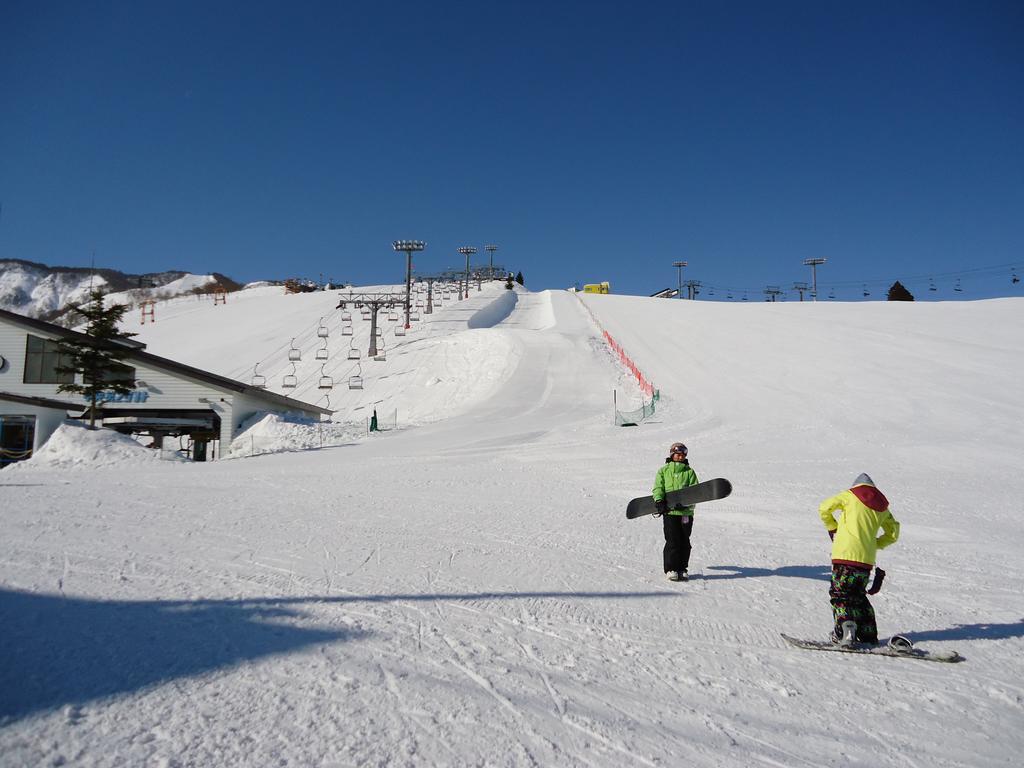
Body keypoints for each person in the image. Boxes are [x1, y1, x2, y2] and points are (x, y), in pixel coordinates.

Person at [819, 473, 900, 645]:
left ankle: (844, 633)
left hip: (845, 555)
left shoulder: (849, 496)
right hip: (866, 559)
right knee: (858, 597)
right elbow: (893, 533)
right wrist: (873, 544)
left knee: (840, 594)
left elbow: (824, 508)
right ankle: (868, 636)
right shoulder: (882, 506)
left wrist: (833, 528)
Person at [652, 442, 699, 581]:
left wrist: (687, 505)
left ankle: (682, 568)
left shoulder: (689, 472)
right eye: (678, 454)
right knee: (672, 541)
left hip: (686, 514)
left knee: (685, 541)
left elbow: (696, 492)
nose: (680, 457)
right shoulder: (663, 471)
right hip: (670, 513)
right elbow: (658, 488)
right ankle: (671, 569)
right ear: (672, 454)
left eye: (683, 455)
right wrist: (659, 501)